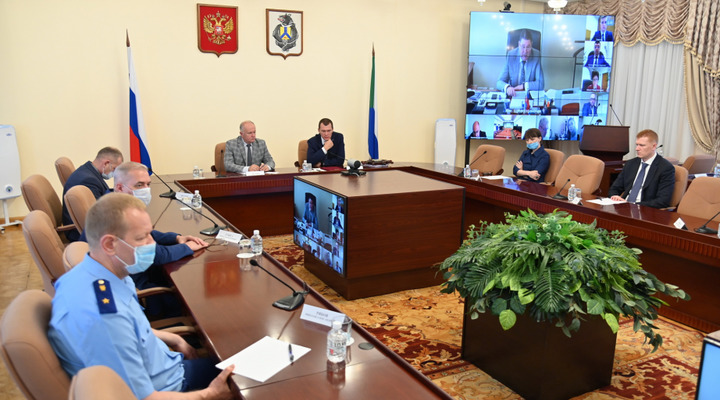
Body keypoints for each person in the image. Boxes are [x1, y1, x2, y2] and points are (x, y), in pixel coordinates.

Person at [48, 193, 235, 399]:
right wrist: (209, 395)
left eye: (150, 233)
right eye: (142, 237)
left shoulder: (99, 273)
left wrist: (173, 338)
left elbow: (132, 329)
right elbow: (144, 397)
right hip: (171, 388)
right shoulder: (105, 318)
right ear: (109, 244)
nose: (152, 243)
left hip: (163, 363)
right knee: (246, 377)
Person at [62, 147, 123, 241]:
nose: (114, 174)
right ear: (106, 163)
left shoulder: (88, 171)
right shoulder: (88, 180)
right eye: (114, 169)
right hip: (81, 234)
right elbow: (99, 213)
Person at [608, 129, 675, 208]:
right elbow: (615, 188)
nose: (637, 148)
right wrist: (615, 196)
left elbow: (662, 201)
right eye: (637, 145)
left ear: (654, 146)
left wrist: (633, 205)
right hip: (623, 207)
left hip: (645, 209)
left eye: (642, 145)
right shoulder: (630, 164)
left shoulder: (665, 168)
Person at [496, 29, 545, 97]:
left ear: (531, 45)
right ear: (519, 44)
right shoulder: (511, 55)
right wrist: (507, 88)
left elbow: (541, 84)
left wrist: (524, 86)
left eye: (528, 47)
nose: (525, 51)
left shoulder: (536, 55)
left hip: (529, 97)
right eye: (523, 46)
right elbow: (499, 82)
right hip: (513, 95)